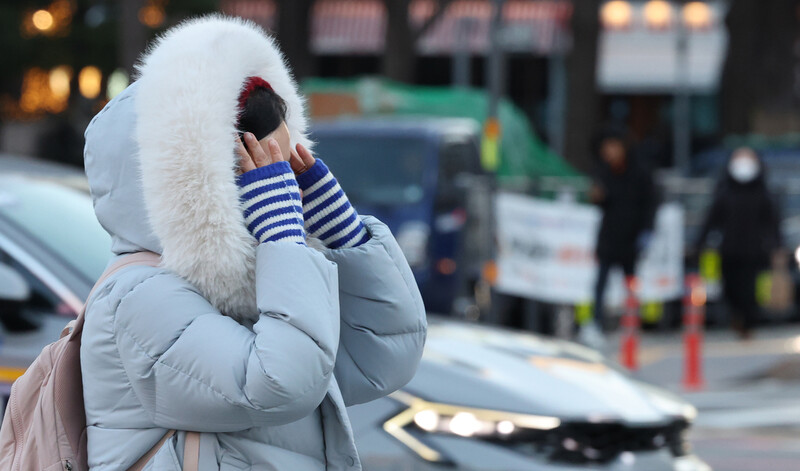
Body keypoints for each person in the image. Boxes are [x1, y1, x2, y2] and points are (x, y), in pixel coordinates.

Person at [80, 16, 426, 470]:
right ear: (197, 181)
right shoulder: (139, 298)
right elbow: (282, 385)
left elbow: (383, 357)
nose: (281, 189)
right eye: (263, 171)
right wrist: (283, 241)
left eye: (286, 164)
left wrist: (347, 234)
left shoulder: (255, 287)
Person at [694, 147, 782, 340]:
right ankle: (736, 318)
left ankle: (748, 323)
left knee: (750, 290)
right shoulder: (724, 192)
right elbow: (711, 221)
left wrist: (777, 246)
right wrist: (699, 243)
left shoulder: (763, 193)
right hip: (729, 250)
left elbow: (773, 223)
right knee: (730, 287)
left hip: (755, 251)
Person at [582, 125, 656, 349]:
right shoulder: (602, 171)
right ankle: (596, 324)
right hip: (608, 237)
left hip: (630, 238)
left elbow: (650, 204)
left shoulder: (640, 172)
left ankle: (632, 324)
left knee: (631, 282)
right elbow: (601, 202)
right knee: (600, 284)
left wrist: (646, 231)